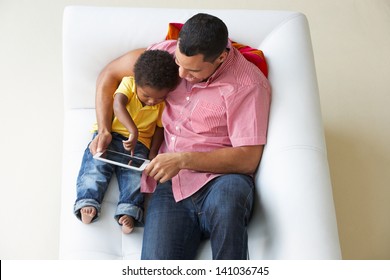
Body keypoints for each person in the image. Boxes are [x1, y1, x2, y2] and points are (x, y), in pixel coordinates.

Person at [91, 13, 271, 259]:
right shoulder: (163, 56)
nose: (181, 74)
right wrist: (103, 128)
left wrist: (183, 160)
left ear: (220, 57)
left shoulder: (247, 85)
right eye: (179, 62)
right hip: (172, 185)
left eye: (193, 71)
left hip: (223, 181)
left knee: (228, 201)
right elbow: (109, 74)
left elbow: (248, 158)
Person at [73, 50, 179, 234]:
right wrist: (133, 130)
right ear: (136, 81)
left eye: (159, 97)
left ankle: (129, 210)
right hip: (111, 133)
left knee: (134, 177)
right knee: (95, 165)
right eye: (146, 95)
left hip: (139, 146)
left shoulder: (163, 104)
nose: (152, 101)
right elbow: (118, 105)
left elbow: (160, 129)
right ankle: (88, 200)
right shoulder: (128, 84)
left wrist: (153, 154)